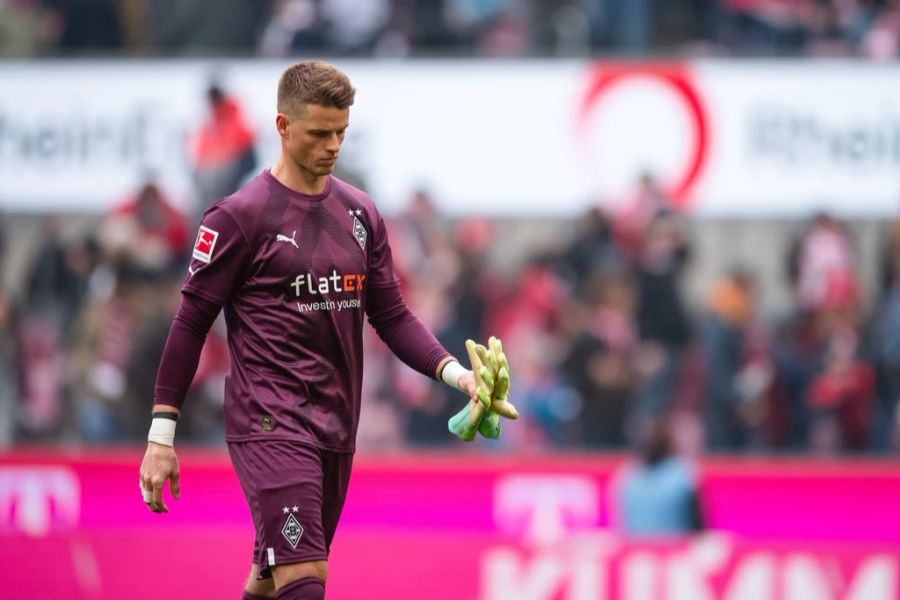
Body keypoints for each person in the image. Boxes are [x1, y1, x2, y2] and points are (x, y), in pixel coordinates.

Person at [137, 61, 488, 600]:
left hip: (336, 425)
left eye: (341, 132)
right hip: (269, 421)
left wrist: (456, 374)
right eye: (319, 133)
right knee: (306, 581)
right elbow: (189, 324)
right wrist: (162, 436)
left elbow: (391, 314)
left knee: (270, 578)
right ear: (282, 126)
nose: (333, 146)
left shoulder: (360, 213)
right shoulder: (237, 218)